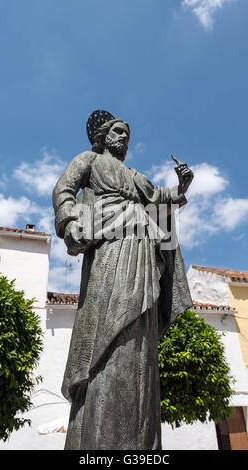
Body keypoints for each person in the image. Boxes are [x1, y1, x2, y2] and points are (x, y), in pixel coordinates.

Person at [52, 110, 194, 450]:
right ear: (103, 136)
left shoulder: (134, 176)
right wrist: (70, 222)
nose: (123, 137)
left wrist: (182, 187)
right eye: (117, 131)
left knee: (140, 326)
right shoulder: (88, 160)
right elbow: (64, 191)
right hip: (109, 244)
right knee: (108, 316)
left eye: (127, 133)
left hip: (143, 247)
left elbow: (161, 197)